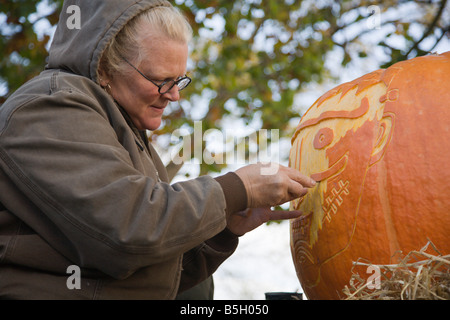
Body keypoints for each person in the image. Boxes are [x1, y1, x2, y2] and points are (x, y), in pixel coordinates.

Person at [0, 0, 315, 299]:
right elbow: (126, 231)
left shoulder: (126, 128)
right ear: (106, 67)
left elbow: (150, 274)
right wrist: (237, 188)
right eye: (161, 80)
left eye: (179, 81)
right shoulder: (50, 106)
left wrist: (223, 228)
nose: (174, 96)